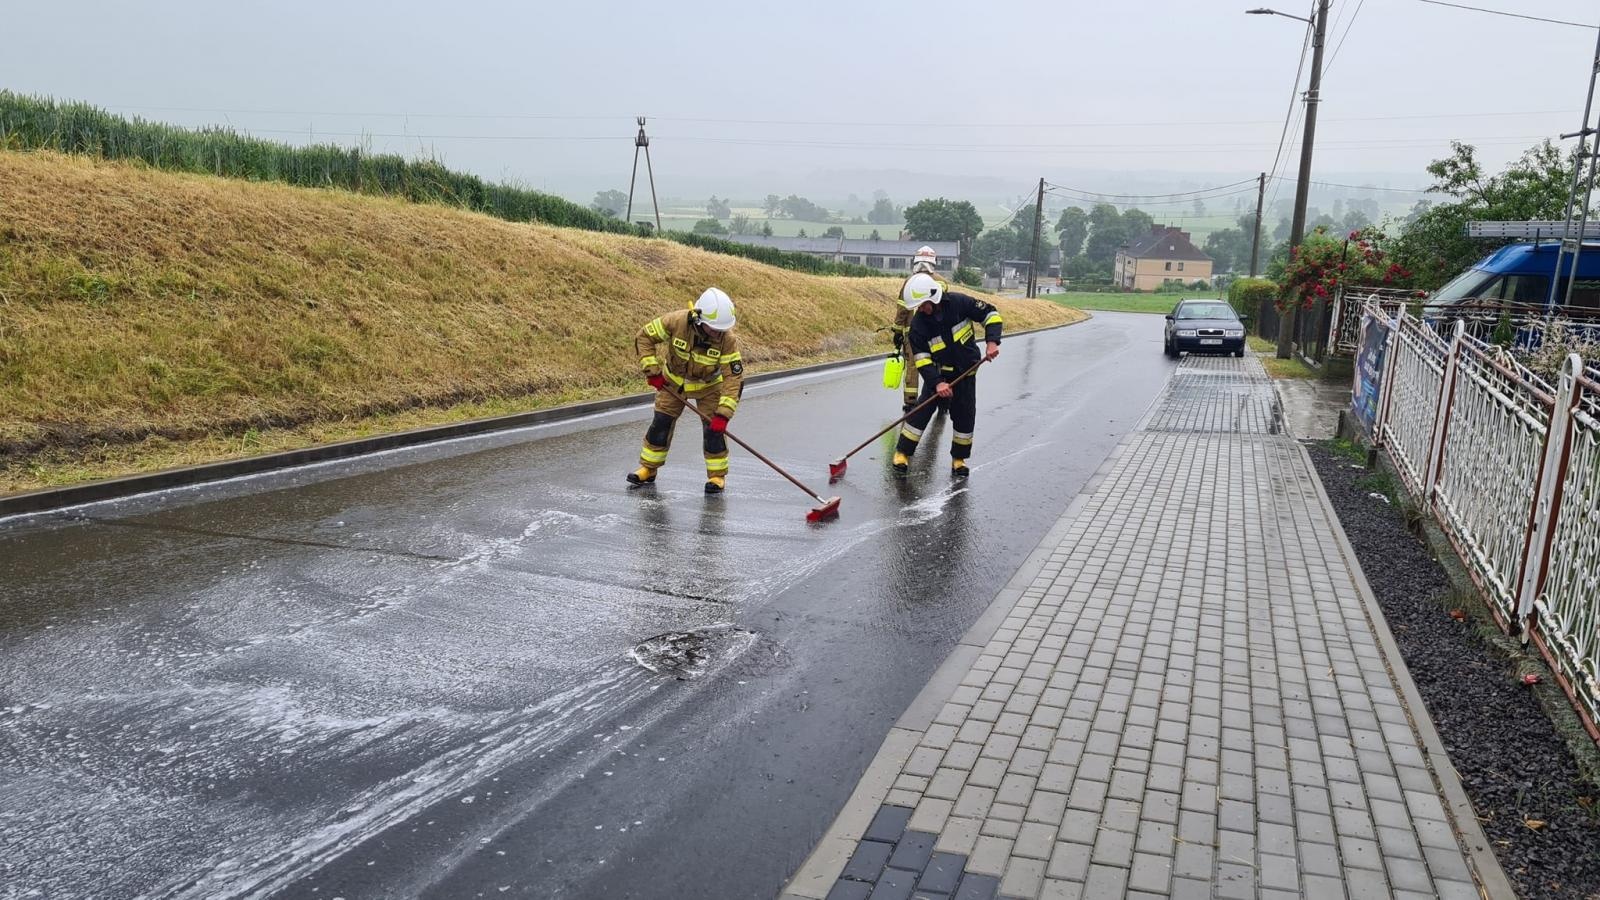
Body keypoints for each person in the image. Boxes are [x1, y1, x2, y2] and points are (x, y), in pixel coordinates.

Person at [628, 288, 744, 494]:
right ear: (698, 318)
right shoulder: (676, 322)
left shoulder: (727, 340)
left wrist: (723, 414)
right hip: (673, 383)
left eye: (721, 329)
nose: (718, 333)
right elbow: (644, 336)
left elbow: (733, 378)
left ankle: (717, 477)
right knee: (660, 424)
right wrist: (652, 371)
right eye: (713, 328)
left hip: (709, 388)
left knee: (713, 431)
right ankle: (648, 469)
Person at [893, 273, 1001, 479]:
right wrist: (937, 383)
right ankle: (902, 453)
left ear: (934, 297)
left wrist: (992, 342)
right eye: (918, 306)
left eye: (923, 304)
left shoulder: (960, 302)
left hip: (966, 372)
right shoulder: (918, 325)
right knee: (920, 413)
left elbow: (991, 315)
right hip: (939, 374)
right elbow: (922, 360)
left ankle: (958, 460)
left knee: (965, 415)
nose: (921, 309)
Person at [891, 246, 947, 412]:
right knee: (939, 364)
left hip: (912, 334)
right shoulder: (941, 281)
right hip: (936, 334)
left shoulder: (909, 282)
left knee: (912, 366)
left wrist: (897, 330)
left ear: (915, 262)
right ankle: (942, 401)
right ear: (933, 263)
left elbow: (902, 309)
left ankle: (910, 402)